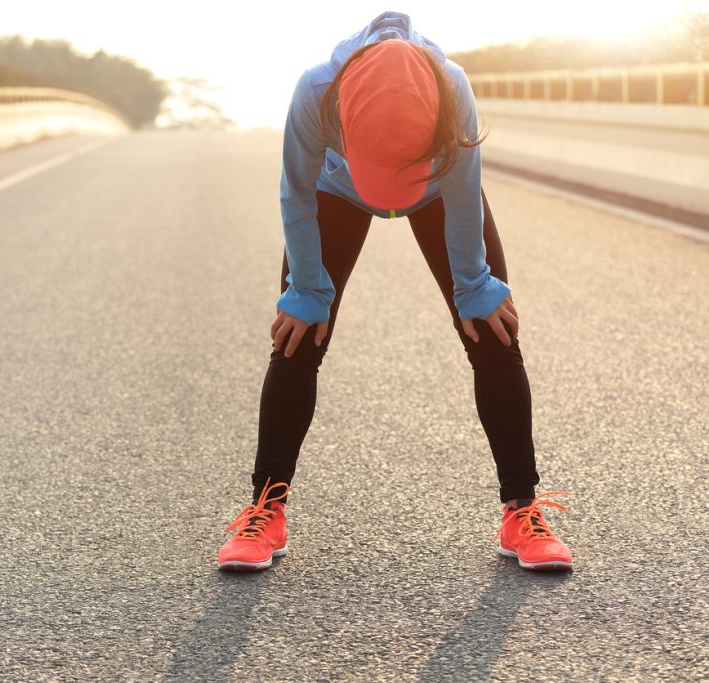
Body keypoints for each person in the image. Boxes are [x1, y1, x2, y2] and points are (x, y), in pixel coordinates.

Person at [217, 11, 574, 572]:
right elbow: (296, 194)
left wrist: (474, 285)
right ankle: (266, 509)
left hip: (435, 191)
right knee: (299, 335)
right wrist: (308, 288)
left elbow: (463, 191)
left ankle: (522, 511)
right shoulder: (315, 89)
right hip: (337, 189)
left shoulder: (451, 86)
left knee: (491, 330)